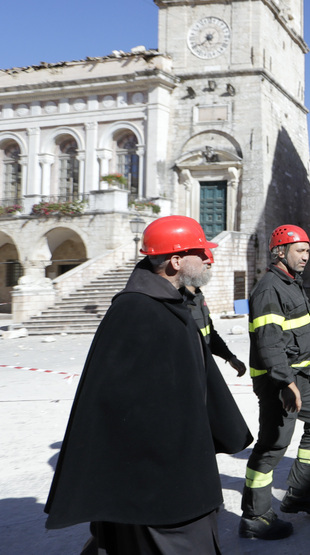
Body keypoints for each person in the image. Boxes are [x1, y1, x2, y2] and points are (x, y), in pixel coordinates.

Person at [45, 215, 252, 554]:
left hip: (179, 471)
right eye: (200, 252)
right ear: (175, 260)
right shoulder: (135, 310)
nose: (206, 258)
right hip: (159, 485)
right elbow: (115, 407)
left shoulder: (172, 304)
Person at [240, 224, 310, 540]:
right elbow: (269, 343)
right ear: (280, 252)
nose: (307, 256)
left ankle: (298, 494)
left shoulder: (292, 282)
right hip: (279, 381)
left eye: (308, 250)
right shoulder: (269, 288)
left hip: (303, 375)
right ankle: (255, 516)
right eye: (300, 250)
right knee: (272, 446)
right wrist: (284, 384)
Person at [182, 272, 247, 378]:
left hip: (203, 371)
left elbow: (210, 335)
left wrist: (229, 357)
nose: (207, 269)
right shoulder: (178, 300)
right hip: (188, 374)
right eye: (204, 264)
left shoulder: (198, 296)